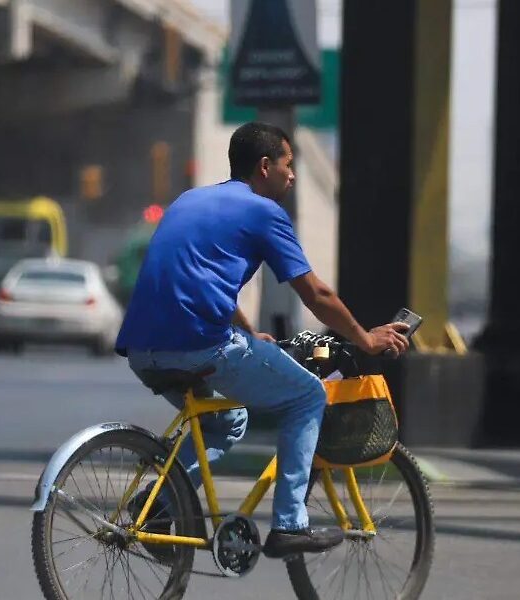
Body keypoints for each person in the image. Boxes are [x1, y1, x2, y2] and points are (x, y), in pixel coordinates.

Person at [115, 121, 410, 558]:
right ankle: (289, 524)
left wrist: (250, 333)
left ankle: (157, 505)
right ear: (266, 166)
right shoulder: (264, 212)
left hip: (142, 349)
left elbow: (195, 281)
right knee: (307, 396)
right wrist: (365, 339)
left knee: (227, 421)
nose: (293, 175)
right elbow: (316, 294)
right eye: (289, 165)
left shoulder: (189, 200)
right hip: (201, 344)